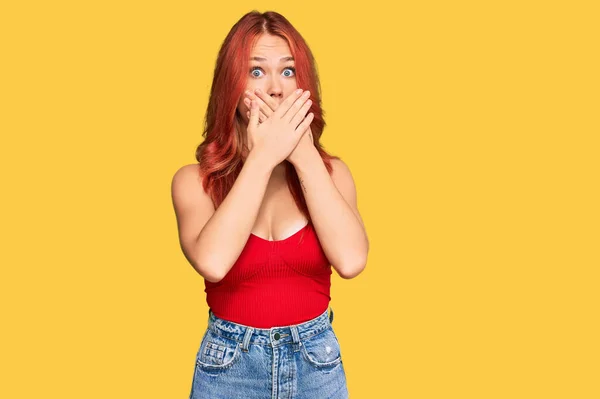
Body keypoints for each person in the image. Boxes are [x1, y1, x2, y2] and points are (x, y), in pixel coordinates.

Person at [171, 10, 369, 399]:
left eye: (289, 71)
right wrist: (262, 157)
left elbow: (351, 261)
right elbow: (212, 262)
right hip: (228, 369)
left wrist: (303, 155)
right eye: (257, 72)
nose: (276, 88)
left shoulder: (334, 175)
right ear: (232, 84)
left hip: (317, 365)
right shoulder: (194, 182)